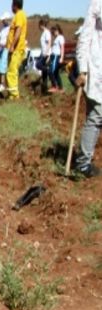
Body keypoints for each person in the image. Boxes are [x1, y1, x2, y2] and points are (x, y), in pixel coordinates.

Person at [74, 0, 102, 178]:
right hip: (96, 67)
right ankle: (83, 164)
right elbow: (84, 37)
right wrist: (83, 69)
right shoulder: (97, 4)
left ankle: (84, 159)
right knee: (97, 114)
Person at [6, 0, 27, 99]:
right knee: (11, 71)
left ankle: (14, 95)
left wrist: (12, 46)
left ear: (15, 5)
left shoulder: (19, 15)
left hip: (17, 49)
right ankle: (12, 94)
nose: (11, 7)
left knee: (12, 71)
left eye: (12, 5)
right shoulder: (20, 15)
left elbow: (18, 31)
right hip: (16, 49)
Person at [0, 12, 12, 92]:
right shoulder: (3, 29)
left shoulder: (10, 28)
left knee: (3, 66)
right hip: (0, 49)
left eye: (3, 20)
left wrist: (4, 45)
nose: (2, 21)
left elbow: (9, 40)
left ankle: (3, 84)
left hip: (6, 48)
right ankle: (0, 84)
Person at [48, 25, 65, 93]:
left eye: (53, 32)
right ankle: (61, 88)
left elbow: (62, 48)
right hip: (53, 56)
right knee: (56, 73)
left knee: (51, 71)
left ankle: (54, 86)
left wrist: (61, 57)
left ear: (57, 30)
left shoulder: (60, 37)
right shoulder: (57, 38)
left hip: (56, 56)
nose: (53, 34)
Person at [37, 19, 52, 94]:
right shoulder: (43, 33)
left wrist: (47, 54)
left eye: (39, 26)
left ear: (41, 25)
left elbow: (49, 43)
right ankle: (44, 89)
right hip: (43, 53)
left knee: (38, 65)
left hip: (46, 54)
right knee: (43, 74)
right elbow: (43, 45)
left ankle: (48, 69)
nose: (39, 27)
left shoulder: (47, 32)